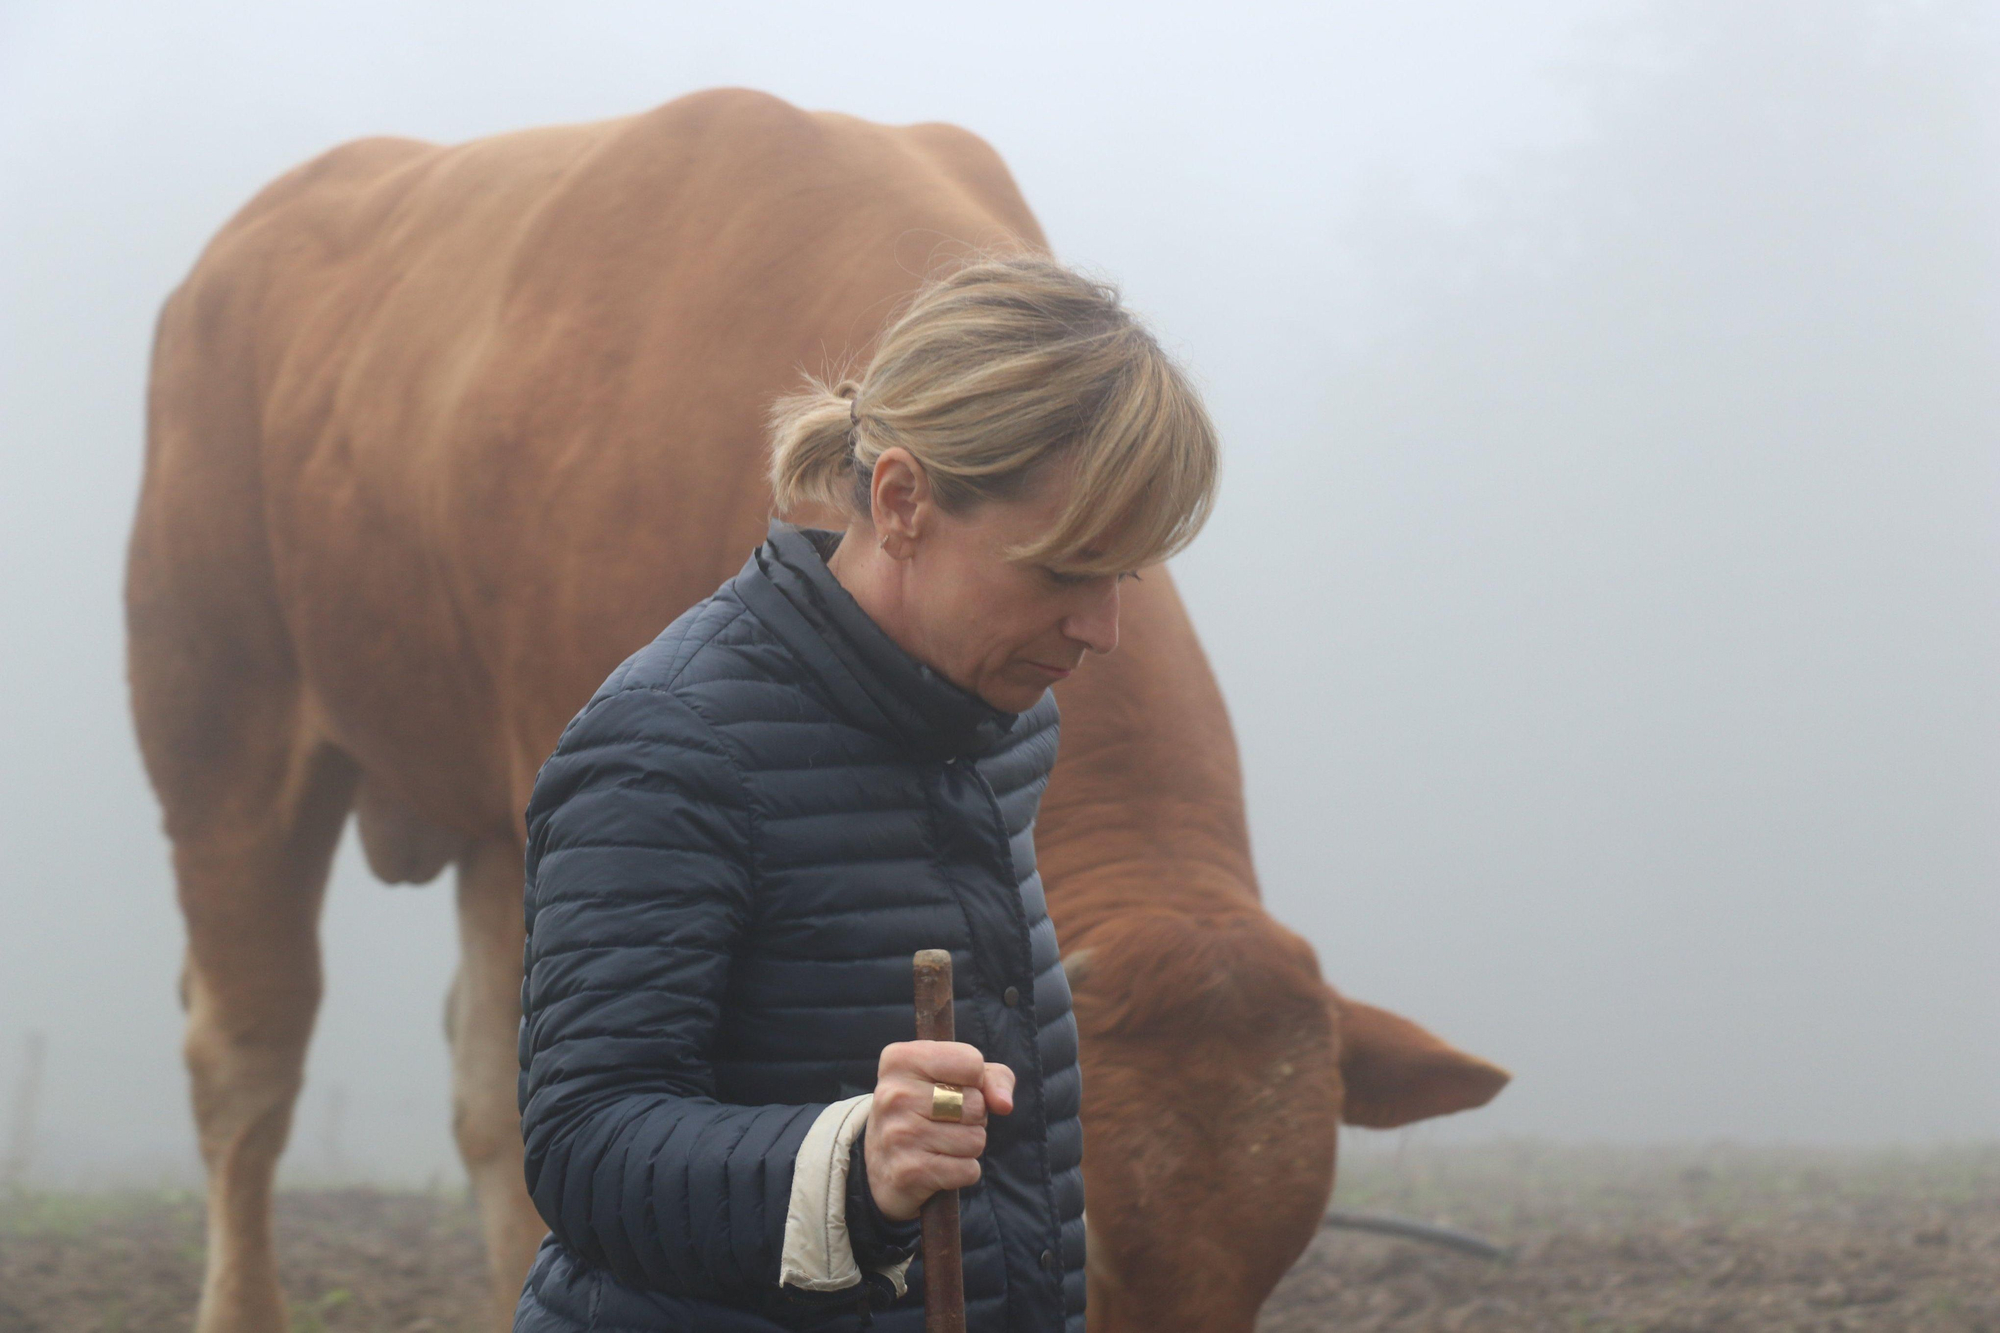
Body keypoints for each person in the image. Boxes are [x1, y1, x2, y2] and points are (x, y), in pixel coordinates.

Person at [512, 253, 1220, 1333]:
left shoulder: (1000, 725)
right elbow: (583, 1145)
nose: (1102, 630)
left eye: (1122, 575)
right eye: (1063, 569)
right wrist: (849, 1161)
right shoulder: (668, 743)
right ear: (901, 501)